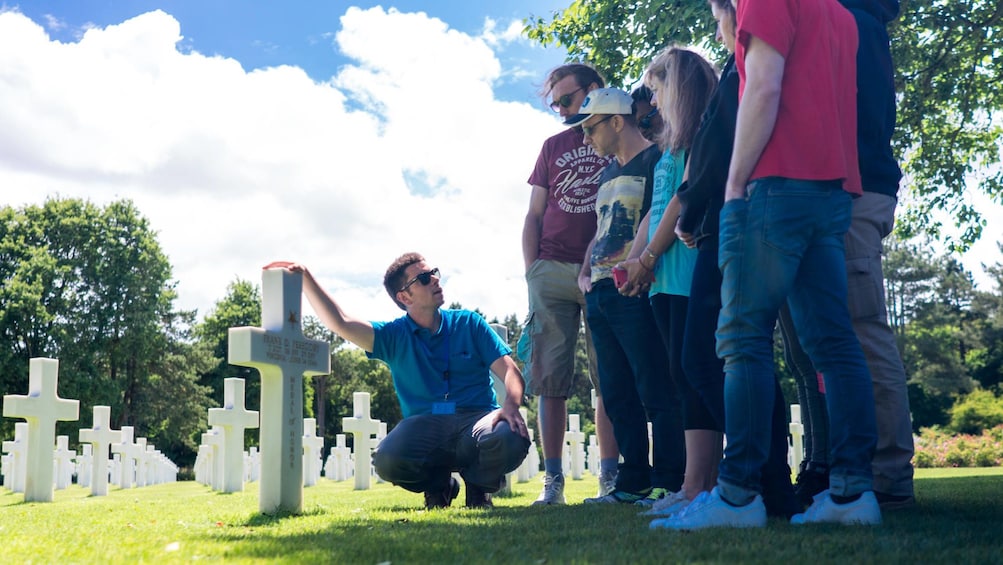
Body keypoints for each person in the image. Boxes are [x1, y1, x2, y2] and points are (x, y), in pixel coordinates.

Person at [656, 0, 881, 529]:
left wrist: (733, 185)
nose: (722, 25)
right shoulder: (842, 16)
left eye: (719, 16)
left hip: (773, 189)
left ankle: (738, 498)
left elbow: (762, 86)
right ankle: (852, 496)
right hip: (830, 192)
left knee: (742, 340)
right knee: (833, 343)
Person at [648, 0, 799, 525]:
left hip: (732, 220)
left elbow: (717, 155)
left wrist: (693, 209)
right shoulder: (740, 66)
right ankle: (763, 484)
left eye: (718, 16)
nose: (718, 28)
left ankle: (755, 483)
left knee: (722, 357)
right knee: (720, 359)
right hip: (724, 221)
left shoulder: (744, 68)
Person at [782, 0, 916, 511]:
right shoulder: (853, 20)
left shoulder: (852, 22)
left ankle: (885, 476)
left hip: (853, 188)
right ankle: (850, 468)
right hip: (847, 186)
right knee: (838, 337)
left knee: (861, 331)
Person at [264, 254, 530, 509]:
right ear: (404, 296)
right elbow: (341, 322)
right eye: (424, 278)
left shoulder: (469, 323)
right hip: (426, 424)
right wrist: (306, 277)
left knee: (509, 435)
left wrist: (511, 405)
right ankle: (440, 486)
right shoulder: (393, 336)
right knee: (387, 459)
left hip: (477, 418)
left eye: (433, 273)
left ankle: (479, 489)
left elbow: (510, 372)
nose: (435, 280)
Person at [568, 88, 685, 504]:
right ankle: (632, 482)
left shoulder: (657, 159)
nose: (585, 139)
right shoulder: (606, 173)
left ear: (617, 121)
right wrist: (585, 271)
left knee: (655, 386)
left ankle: (671, 483)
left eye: (590, 127)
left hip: (637, 289)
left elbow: (661, 215)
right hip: (599, 294)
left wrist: (639, 264)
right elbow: (603, 228)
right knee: (616, 393)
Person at [617, 47, 719, 513]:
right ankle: (694, 484)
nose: (653, 102)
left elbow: (681, 201)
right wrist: (637, 262)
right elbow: (653, 210)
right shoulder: (666, 146)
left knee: (697, 374)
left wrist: (651, 255)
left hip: (687, 269)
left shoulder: (696, 137)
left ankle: (705, 483)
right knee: (682, 376)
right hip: (661, 276)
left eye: (658, 90)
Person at [522, 63, 620, 505]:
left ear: (593, 90)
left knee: (609, 377)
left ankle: (610, 479)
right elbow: (534, 214)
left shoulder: (615, 133)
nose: (561, 109)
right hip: (551, 271)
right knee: (550, 380)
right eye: (555, 102)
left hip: (603, 270)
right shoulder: (552, 145)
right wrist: (533, 270)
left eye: (566, 99)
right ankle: (554, 481)